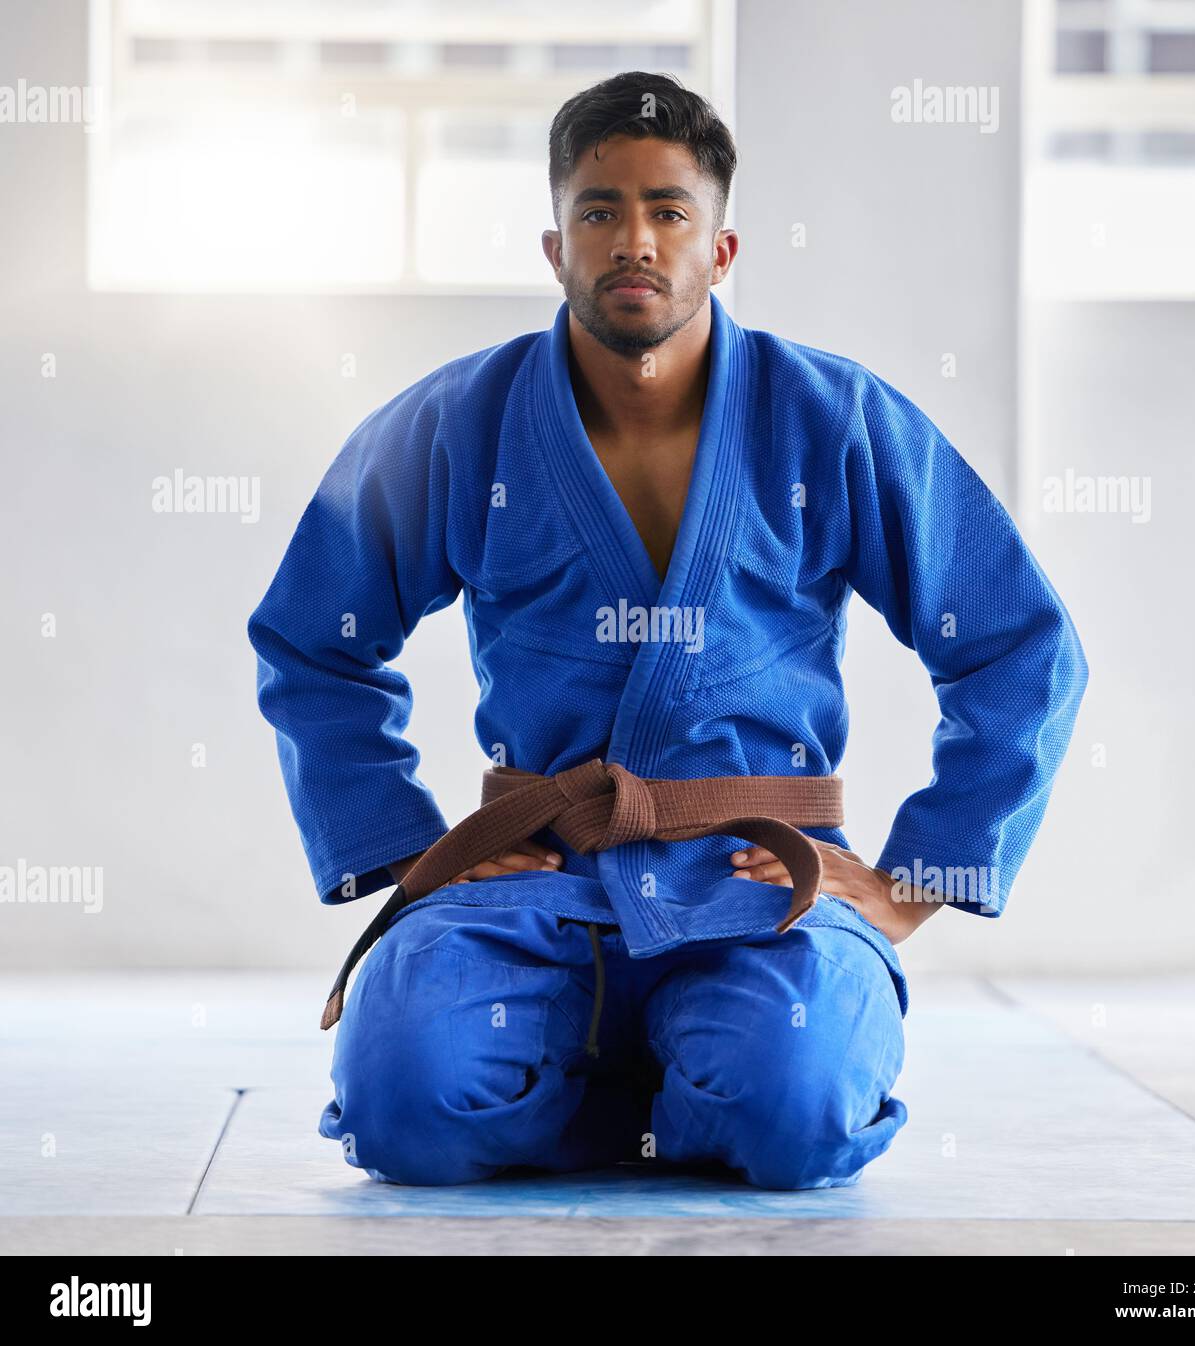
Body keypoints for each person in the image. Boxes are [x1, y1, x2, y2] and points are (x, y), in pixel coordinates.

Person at [247, 72, 1088, 1191]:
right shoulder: (459, 424)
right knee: (403, 1102)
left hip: (756, 887)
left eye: (667, 211)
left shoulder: (832, 419)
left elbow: (1019, 644)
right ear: (555, 245)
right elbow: (313, 638)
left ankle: (655, 1080)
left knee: (795, 1108)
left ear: (722, 248)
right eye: (598, 210)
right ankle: (659, 1091)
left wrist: (906, 882)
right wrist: (410, 850)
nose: (631, 239)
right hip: (536, 883)